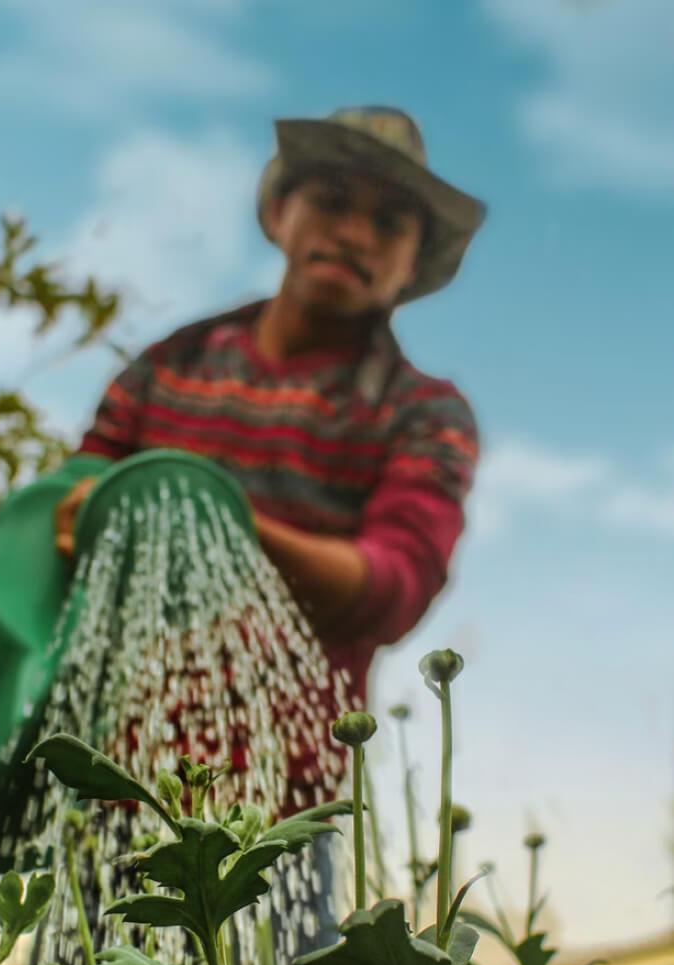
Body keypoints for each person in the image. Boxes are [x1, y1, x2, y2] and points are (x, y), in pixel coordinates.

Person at [56, 105, 485, 774]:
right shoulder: (169, 366)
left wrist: (221, 527)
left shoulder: (422, 413)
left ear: (413, 263)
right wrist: (77, 514)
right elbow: (73, 494)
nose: (353, 234)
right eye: (333, 201)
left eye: (389, 223)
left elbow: (395, 585)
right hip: (100, 756)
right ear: (282, 210)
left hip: (277, 790)